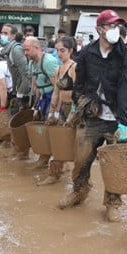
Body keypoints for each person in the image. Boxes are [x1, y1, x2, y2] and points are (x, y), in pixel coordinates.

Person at [58, 9, 127, 223]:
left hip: (117, 119)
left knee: (116, 164)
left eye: (117, 26)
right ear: (99, 29)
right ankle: (79, 191)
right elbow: (80, 83)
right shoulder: (87, 54)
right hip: (92, 117)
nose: (114, 29)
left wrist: (124, 123)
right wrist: (77, 107)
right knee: (81, 158)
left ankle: (112, 203)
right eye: (110, 25)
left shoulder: (126, 57)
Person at [38, 36, 77, 186]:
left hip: (74, 110)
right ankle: (55, 173)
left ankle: (74, 175)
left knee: (72, 142)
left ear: (71, 51)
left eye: (63, 50)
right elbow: (56, 92)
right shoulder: (59, 68)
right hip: (62, 109)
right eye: (57, 50)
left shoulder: (74, 68)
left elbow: (78, 94)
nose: (60, 54)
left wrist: (72, 115)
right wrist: (52, 112)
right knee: (58, 141)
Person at [24, 36, 58, 169]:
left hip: (52, 97)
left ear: (36, 48)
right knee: (42, 127)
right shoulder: (31, 63)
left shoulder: (49, 62)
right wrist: (36, 104)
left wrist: (54, 109)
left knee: (51, 128)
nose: (25, 53)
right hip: (43, 97)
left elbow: (58, 87)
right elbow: (36, 85)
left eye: (27, 50)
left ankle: (54, 160)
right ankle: (44, 158)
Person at [0, 24, 31, 114]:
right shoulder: (9, 49)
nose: (2, 36)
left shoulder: (16, 50)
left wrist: (21, 95)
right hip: (18, 90)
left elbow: (25, 74)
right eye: (1, 33)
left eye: (5, 33)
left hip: (23, 93)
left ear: (13, 36)